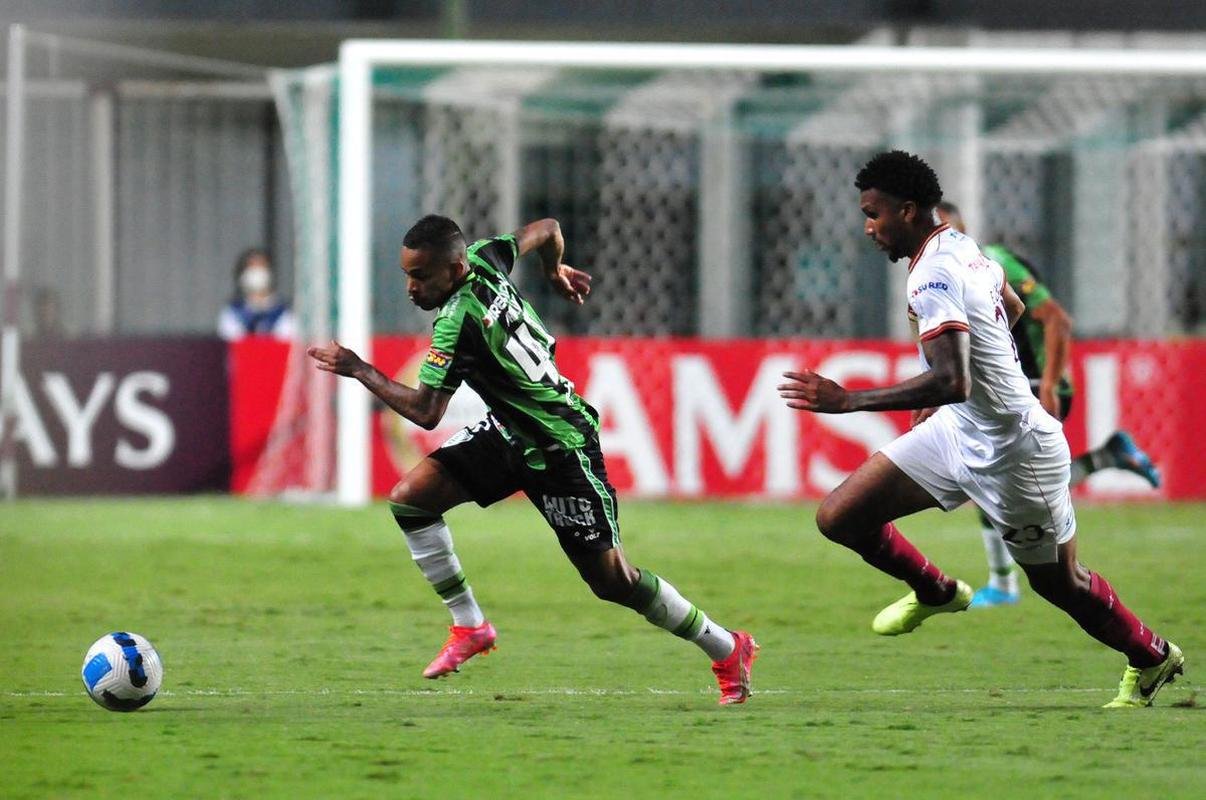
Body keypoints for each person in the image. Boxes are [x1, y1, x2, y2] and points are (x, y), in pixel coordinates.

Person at [777, 150, 1183, 708]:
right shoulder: (962, 247)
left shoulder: (932, 274)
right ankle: (935, 590)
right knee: (840, 516)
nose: (868, 228)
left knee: (1060, 584)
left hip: (1018, 452)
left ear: (910, 209)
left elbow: (954, 380)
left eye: (874, 214)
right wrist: (955, 383)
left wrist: (848, 400)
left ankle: (1152, 657)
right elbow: (1010, 309)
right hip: (958, 433)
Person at [307, 215, 757, 704]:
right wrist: (554, 270)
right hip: (509, 433)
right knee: (411, 500)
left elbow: (426, 411)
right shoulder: (486, 256)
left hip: (560, 447)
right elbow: (547, 228)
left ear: (454, 271)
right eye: (407, 275)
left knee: (614, 582)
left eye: (422, 276)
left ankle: (727, 647)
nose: (412, 288)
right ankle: (470, 626)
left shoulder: (458, 321)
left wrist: (358, 368)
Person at [935, 201, 1161, 609]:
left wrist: (1051, 384)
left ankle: (1005, 586)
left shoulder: (992, 261)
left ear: (958, 231)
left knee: (997, 481)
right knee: (1005, 483)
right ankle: (1108, 458)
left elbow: (1057, 319)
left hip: (1036, 385)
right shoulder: (949, 274)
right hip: (1019, 386)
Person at [217, 248, 295, 341]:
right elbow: (231, 340)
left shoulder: (284, 311)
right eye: (251, 266)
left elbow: (287, 339)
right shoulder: (232, 312)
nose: (257, 271)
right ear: (242, 274)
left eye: (261, 266)